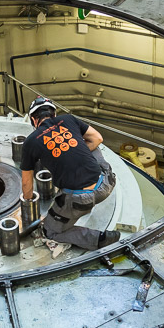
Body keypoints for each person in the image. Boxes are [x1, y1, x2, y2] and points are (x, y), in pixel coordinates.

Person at [20, 96, 121, 250]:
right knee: (85, 141)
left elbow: (27, 183)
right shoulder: (68, 118)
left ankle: (99, 239)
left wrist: (28, 203)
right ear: (54, 114)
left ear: (34, 120)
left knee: (51, 231)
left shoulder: (31, 141)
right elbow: (97, 138)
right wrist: (72, 152)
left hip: (79, 201)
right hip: (107, 183)